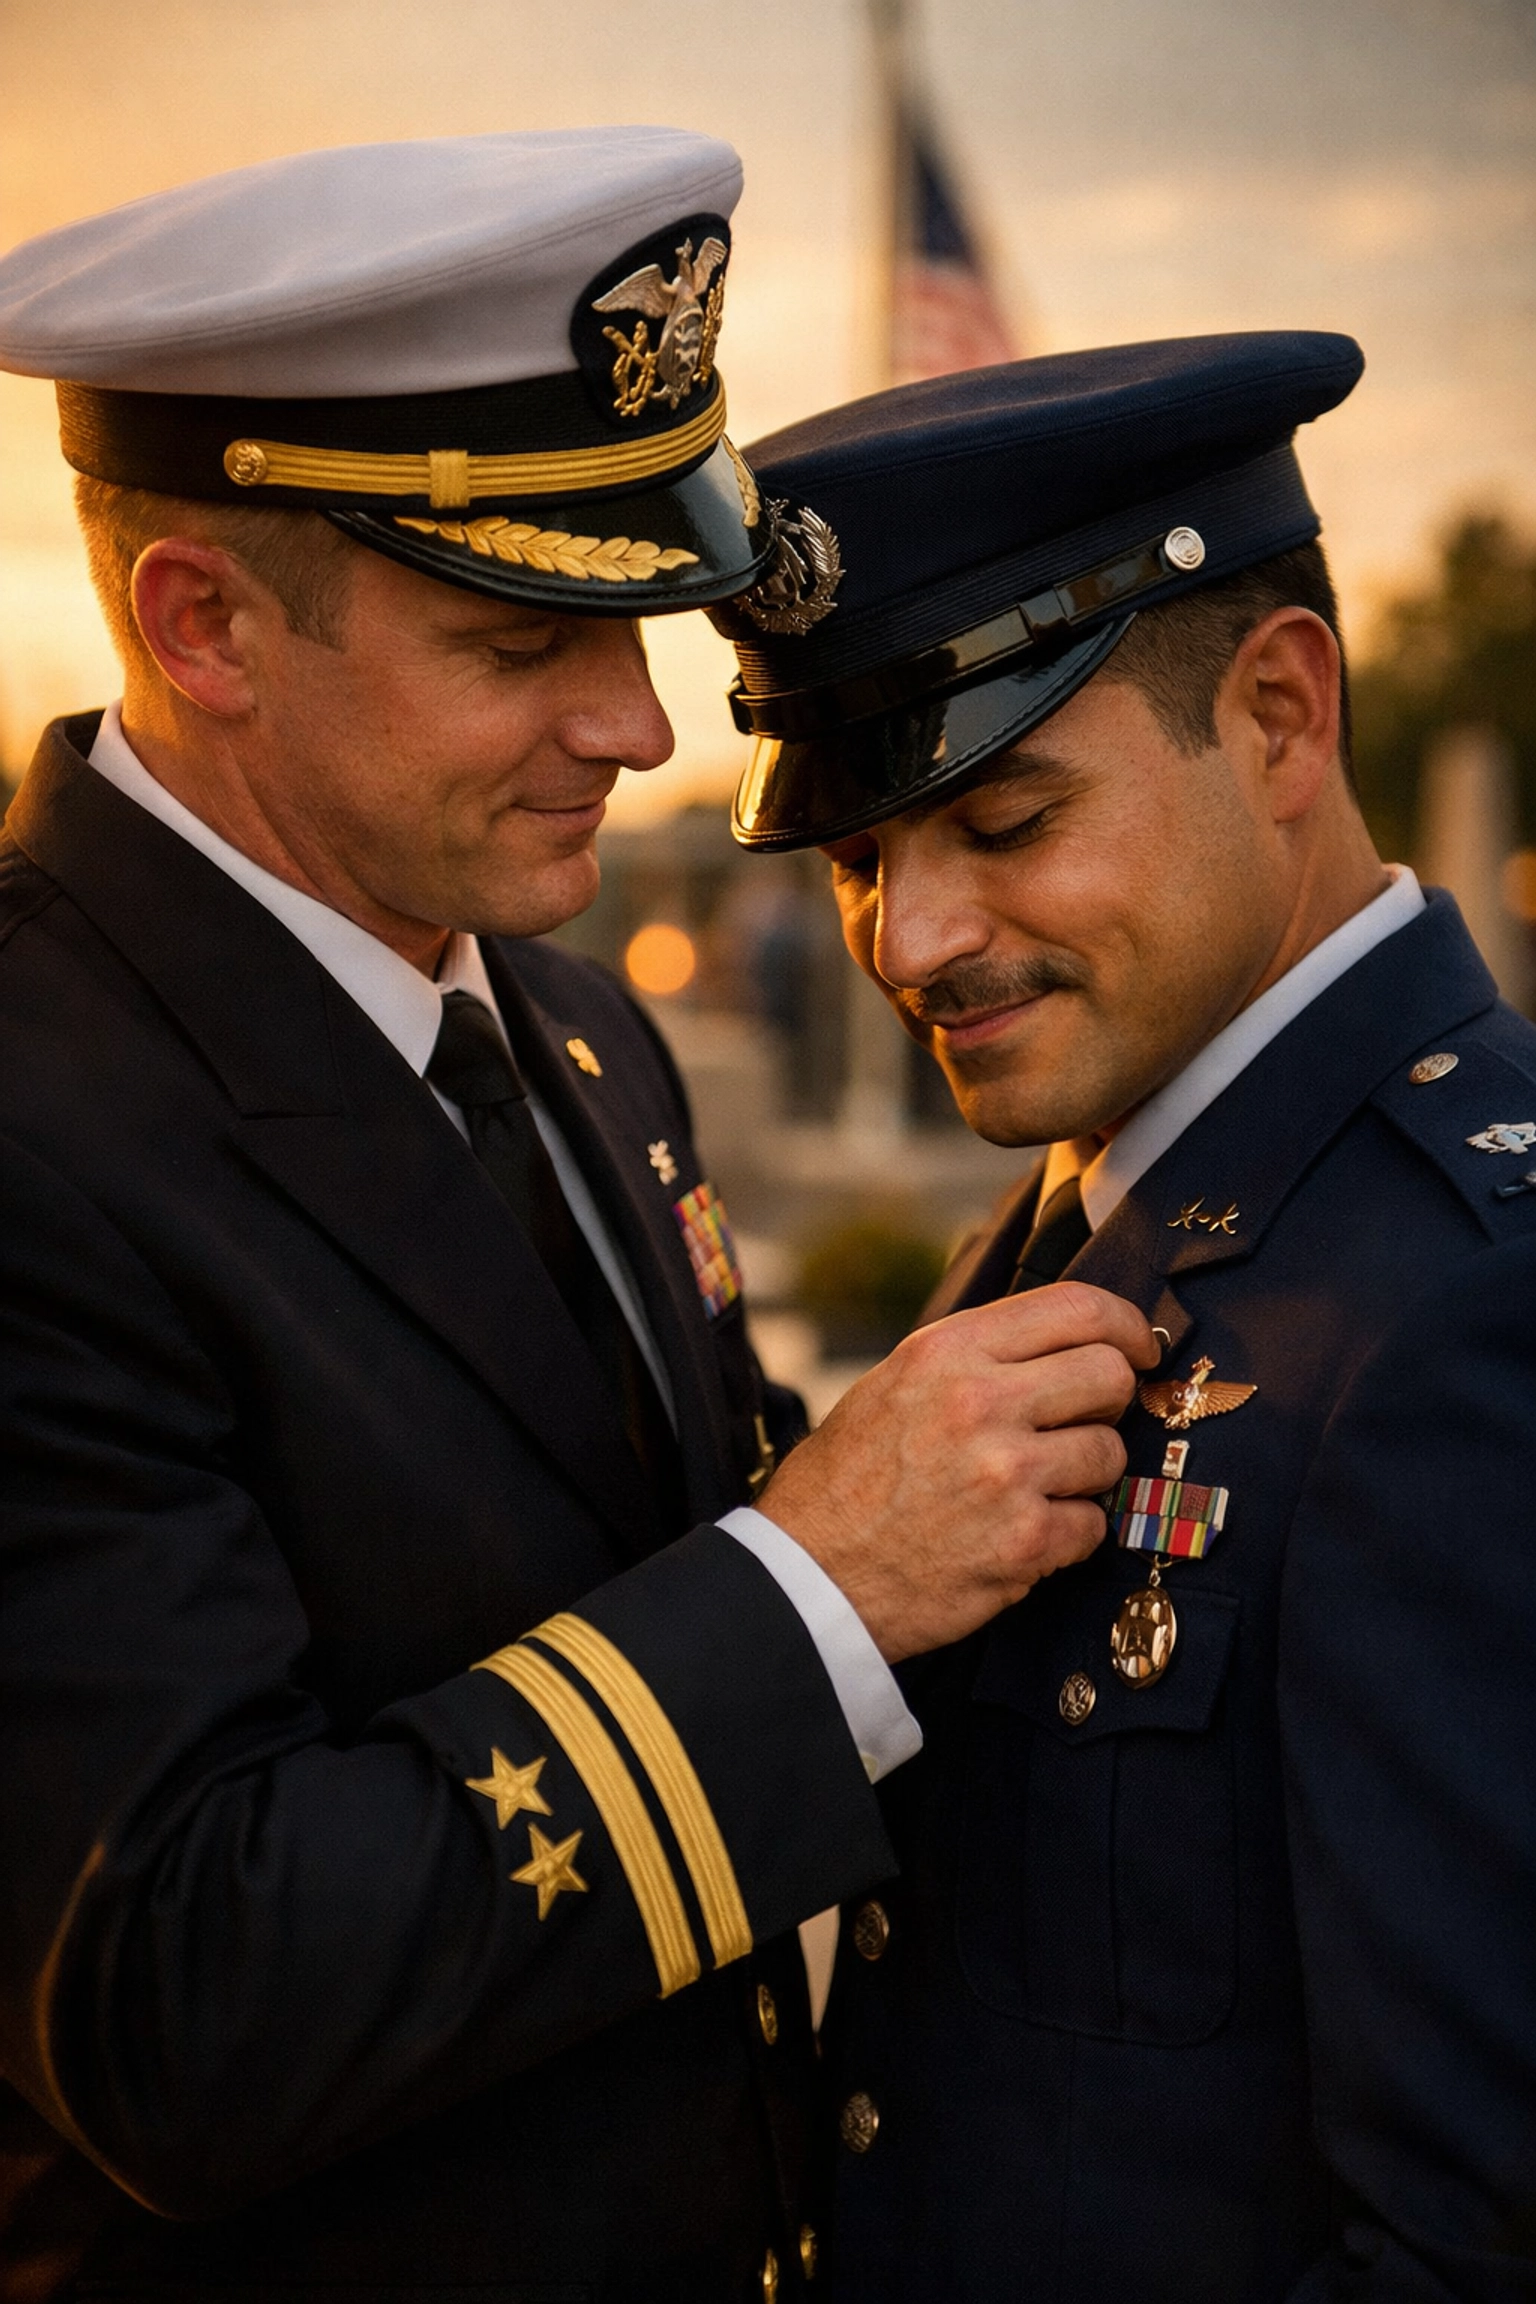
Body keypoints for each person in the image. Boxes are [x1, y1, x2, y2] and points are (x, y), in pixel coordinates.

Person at [0, 138, 1153, 2301]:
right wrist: (822, 1583)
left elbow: (639, 1512)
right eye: (523, 639)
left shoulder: (551, 1007)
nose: (633, 731)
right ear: (202, 625)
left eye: (643, 624)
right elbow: (173, 1998)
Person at [715, 332, 1536, 2299]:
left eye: (1003, 827)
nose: (910, 941)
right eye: (859, 858)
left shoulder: (1470, 1309)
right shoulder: (1089, 1210)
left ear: (1276, 720)